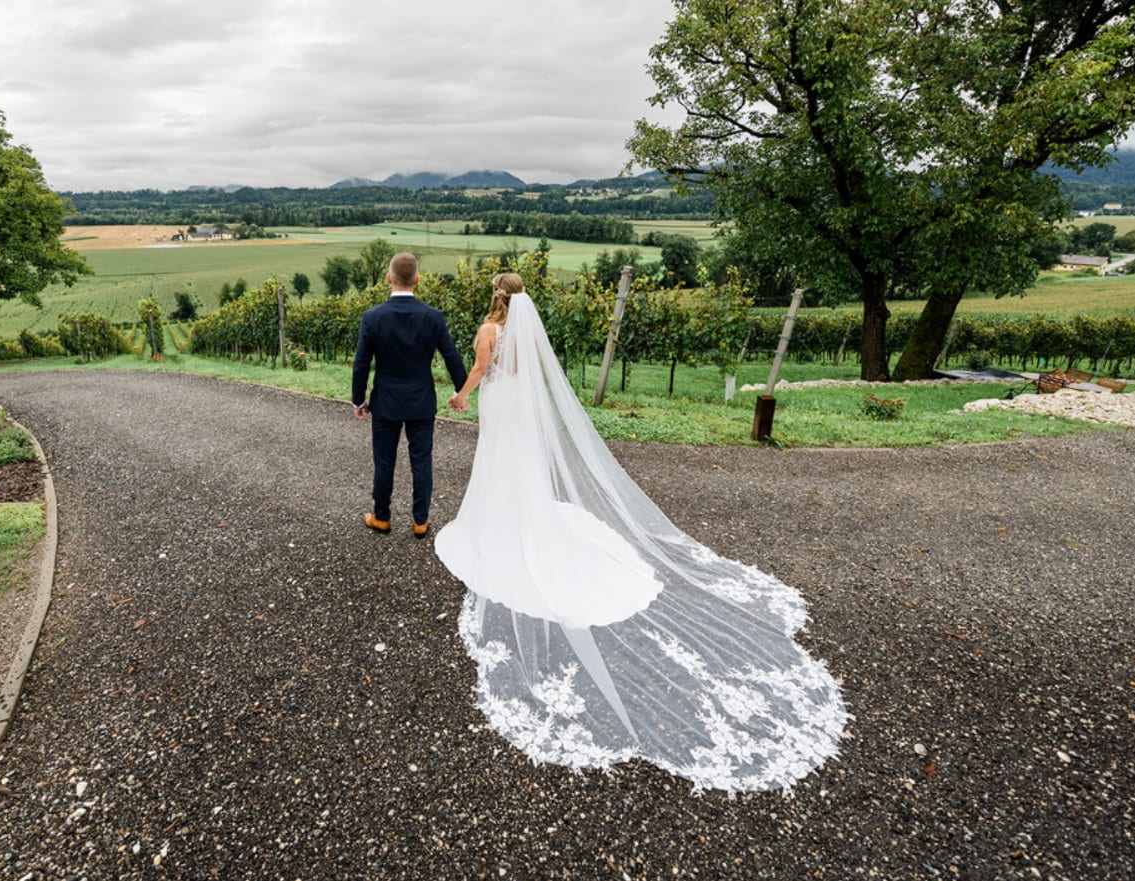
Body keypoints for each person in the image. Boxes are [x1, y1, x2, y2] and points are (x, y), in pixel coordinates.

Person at [434, 273, 847, 793]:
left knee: (497, 463)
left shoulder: (489, 329)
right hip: (522, 406)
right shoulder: (529, 330)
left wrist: (461, 396)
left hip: (499, 403)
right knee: (520, 465)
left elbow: (478, 367)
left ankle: (499, 526)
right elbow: (536, 374)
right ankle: (524, 517)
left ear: (493, 294)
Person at [351, 252, 468, 538]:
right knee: (422, 462)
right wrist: (460, 391)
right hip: (421, 402)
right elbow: (452, 357)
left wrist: (359, 400)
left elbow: (361, 363)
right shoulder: (433, 317)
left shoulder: (372, 317)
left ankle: (381, 518)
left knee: (384, 462)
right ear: (417, 280)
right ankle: (420, 521)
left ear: (389, 278)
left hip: (386, 403)